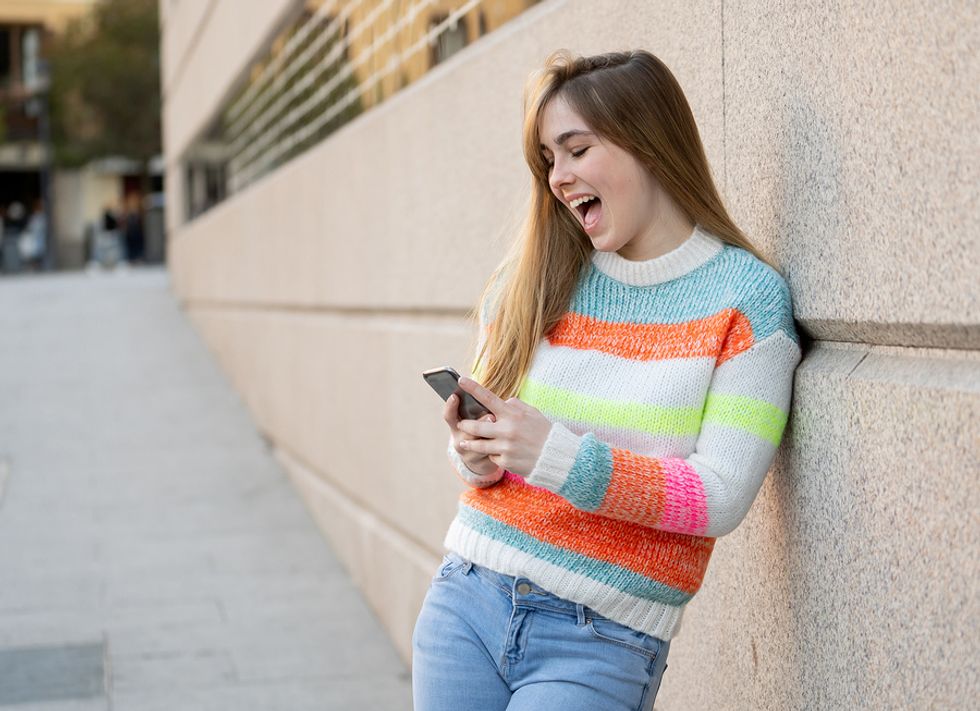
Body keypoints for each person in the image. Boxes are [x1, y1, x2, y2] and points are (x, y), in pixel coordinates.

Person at [412, 49, 803, 711]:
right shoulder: (530, 278)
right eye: (548, 159)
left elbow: (718, 495)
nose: (558, 178)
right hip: (467, 599)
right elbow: (492, 453)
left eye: (576, 149)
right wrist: (474, 451)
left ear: (647, 144)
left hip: (603, 638)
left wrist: (560, 457)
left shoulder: (747, 302)